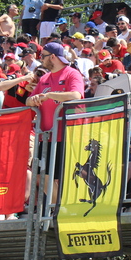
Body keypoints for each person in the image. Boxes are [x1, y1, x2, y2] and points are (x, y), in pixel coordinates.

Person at [26, 43, 83, 203]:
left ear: (52, 57)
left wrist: (50, 95)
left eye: (43, 56)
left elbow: (76, 95)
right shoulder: (44, 78)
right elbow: (28, 101)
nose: (40, 59)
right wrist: (33, 100)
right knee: (41, 176)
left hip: (66, 135)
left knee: (66, 176)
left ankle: (63, 208)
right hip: (46, 136)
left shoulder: (72, 73)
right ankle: (60, 208)